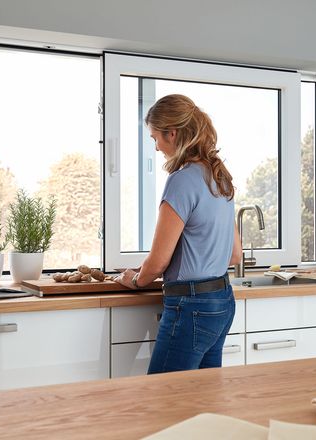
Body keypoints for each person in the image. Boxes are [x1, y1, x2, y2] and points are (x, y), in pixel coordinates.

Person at [114, 94, 242, 374]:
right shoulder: (220, 177)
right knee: (202, 400)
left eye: (155, 137)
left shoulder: (182, 180)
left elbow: (159, 261)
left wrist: (135, 279)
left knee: (164, 399)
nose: (156, 146)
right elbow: (235, 255)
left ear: (172, 133)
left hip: (191, 306)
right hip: (222, 300)